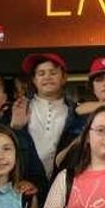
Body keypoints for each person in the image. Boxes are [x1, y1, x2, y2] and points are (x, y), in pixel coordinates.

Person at [8, 53, 84, 181]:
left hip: (65, 181)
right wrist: (15, 128)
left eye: (53, 73)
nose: (47, 77)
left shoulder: (76, 113)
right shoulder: (19, 108)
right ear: (34, 80)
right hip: (24, 182)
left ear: (64, 77)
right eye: (41, 73)